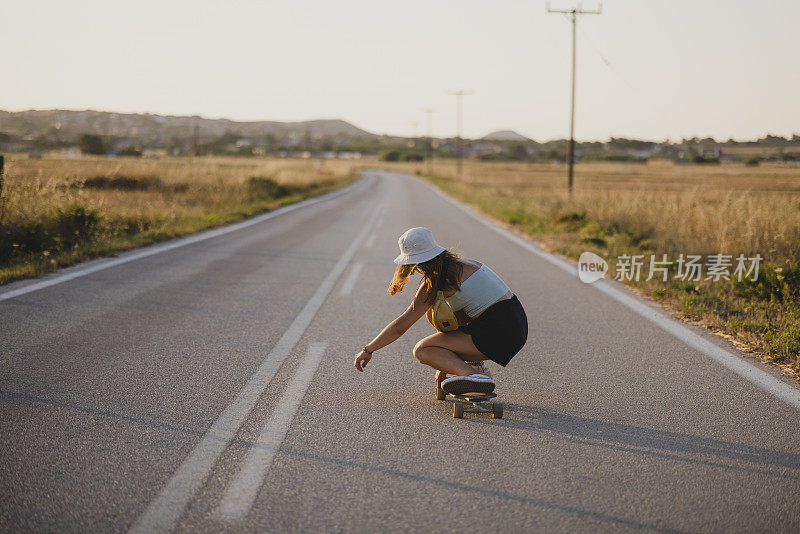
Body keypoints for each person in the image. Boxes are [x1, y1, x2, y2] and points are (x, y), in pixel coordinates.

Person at [353, 227, 528, 395]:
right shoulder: (464, 265)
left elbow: (400, 326)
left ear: (415, 263)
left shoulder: (435, 282)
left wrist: (368, 350)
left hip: (498, 334)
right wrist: (445, 363)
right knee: (438, 313)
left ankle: (474, 377)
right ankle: (475, 366)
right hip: (517, 326)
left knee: (422, 350)